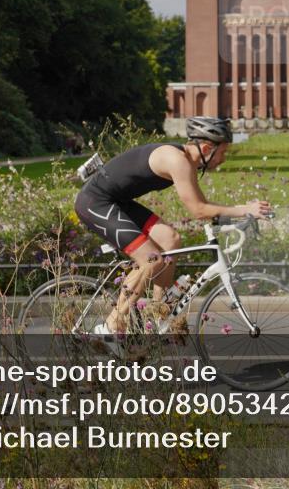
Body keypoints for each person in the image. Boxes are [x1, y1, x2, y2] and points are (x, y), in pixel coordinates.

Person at [74, 116, 270, 341]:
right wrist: (245, 209)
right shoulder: (178, 161)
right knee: (152, 259)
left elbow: (204, 207)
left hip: (117, 202)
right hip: (96, 203)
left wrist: (235, 214)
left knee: (170, 239)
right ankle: (110, 327)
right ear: (207, 148)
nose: (223, 159)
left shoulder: (185, 160)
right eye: (222, 152)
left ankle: (158, 313)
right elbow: (199, 210)